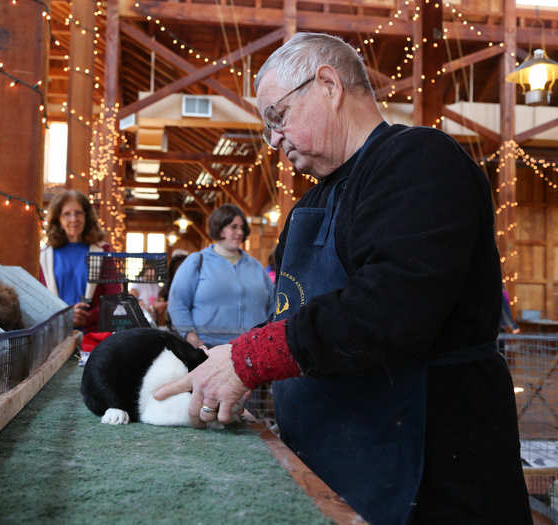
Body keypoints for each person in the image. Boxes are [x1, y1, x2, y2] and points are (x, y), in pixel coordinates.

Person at [155, 32, 531, 524]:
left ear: (328, 85)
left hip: (428, 469)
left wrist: (247, 359)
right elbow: (287, 318)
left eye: (277, 118)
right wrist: (222, 366)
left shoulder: (421, 161)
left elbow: (388, 310)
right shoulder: (309, 204)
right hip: (330, 459)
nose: (273, 140)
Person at [168, 204, 274, 349]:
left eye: (242, 227)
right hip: (208, 348)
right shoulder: (197, 261)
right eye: (233, 227)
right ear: (219, 227)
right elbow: (177, 302)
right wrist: (189, 335)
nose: (239, 232)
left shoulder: (255, 266)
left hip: (253, 348)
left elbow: (273, 304)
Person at [40, 190, 117, 331]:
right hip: (55, 334)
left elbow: (114, 298)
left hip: (94, 335)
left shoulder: (103, 250)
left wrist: (86, 317)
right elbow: (39, 300)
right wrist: (67, 316)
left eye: (78, 213)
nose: (73, 219)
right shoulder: (44, 255)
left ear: (87, 216)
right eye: (67, 214)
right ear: (58, 218)